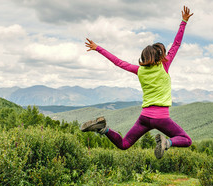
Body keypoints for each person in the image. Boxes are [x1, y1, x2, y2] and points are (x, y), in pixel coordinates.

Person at [82, 6, 193, 159]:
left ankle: (104, 129)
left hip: (144, 117)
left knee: (124, 144)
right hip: (161, 118)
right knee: (186, 140)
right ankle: (166, 143)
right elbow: (176, 44)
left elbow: (118, 62)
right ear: (159, 56)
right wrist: (183, 22)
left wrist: (98, 48)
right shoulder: (164, 66)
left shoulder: (139, 70)